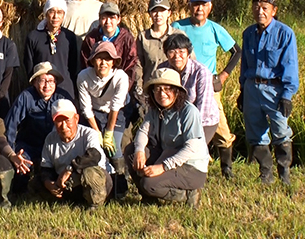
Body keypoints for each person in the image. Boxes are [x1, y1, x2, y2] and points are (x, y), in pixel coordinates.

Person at [172, 0, 241, 179]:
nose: (199, 8)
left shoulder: (215, 29)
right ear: (190, 6)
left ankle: (227, 168)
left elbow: (237, 51)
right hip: (182, 86)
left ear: (210, 6)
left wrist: (224, 75)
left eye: (203, 5)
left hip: (209, 88)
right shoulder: (178, 26)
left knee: (221, 129)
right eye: (195, 4)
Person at [238, 0, 298, 185]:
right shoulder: (248, 33)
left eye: (264, 8)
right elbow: (245, 65)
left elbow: (290, 65)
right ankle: (266, 173)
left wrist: (287, 95)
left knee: (281, 131)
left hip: (275, 90)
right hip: (251, 89)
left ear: (274, 10)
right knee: (255, 133)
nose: (260, 11)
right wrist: (242, 91)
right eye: (256, 7)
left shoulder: (285, 33)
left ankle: (284, 174)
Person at [124, 68, 209, 208]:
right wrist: (139, 150)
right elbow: (143, 131)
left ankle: (187, 194)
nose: (162, 94)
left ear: (177, 91)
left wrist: (163, 167)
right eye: (157, 89)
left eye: (167, 89)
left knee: (148, 183)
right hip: (166, 154)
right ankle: (149, 198)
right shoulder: (154, 109)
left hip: (190, 166)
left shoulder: (189, 112)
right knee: (131, 151)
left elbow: (192, 147)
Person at [4, 61, 73, 192]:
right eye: (43, 80)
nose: (47, 85)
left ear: (56, 82)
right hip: (29, 145)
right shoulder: (26, 97)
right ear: (35, 82)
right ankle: (18, 194)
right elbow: (10, 126)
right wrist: (12, 153)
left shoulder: (63, 97)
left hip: (56, 147)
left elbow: (74, 125)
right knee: (21, 169)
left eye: (51, 81)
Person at [77, 41, 130, 198]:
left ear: (113, 62)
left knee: (114, 147)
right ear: (93, 60)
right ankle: (99, 184)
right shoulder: (83, 77)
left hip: (118, 111)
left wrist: (108, 132)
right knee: (95, 145)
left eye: (107, 59)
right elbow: (85, 108)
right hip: (95, 112)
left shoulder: (121, 77)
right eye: (99, 59)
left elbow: (116, 105)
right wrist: (96, 132)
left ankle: (121, 186)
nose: (103, 63)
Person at [39, 99, 112, 209]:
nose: (64, 126)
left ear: (76, 118)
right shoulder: (50, 139)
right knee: (36, 182)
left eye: (67, 120)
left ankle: (95, 205)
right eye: (59, 121)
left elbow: (94, 155)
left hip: (97, 181)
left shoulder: (89, 134)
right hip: (68, 184)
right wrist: (48, 183)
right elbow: (46, 167)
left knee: (90, 172)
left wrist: (69, 169)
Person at [159, 34, 219, 143]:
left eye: (181, 52)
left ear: (188, 53)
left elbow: (203, 109)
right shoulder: (163, 69)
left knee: (191, 150)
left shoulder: (201, 72)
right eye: (172, 52)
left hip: (202, 121)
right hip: (173, 119)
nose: (177, 56)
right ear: (166, 54)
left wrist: (186, 129)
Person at [134, 0, 188, 97]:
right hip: (151, 90)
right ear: (149, 14)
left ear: (169, 13)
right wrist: (139, 87)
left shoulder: (179, 35)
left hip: (173, 89)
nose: (158, 15)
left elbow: (189, 62)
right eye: (154, 11)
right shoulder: (143, 37)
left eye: (162, 11)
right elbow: (138, 65)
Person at [25, 0, 78, 97]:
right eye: (52, 11)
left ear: (64, 15)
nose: (55, 16)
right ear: (46, 14)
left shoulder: (69, 37)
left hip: (64, 89)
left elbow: (72, 66)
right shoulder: (33, 36)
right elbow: (29, 65)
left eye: (60, 12)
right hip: (41, 89)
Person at [81, 2, 138, 91]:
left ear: (119, 19)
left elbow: (131, 66)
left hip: (119, 87)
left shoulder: (127, 39)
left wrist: (123, 88)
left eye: (112, 18)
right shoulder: (91, 38)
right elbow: (85, 64)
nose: (108, 22)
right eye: (104, 18)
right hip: (95, 88)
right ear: (99, 19)